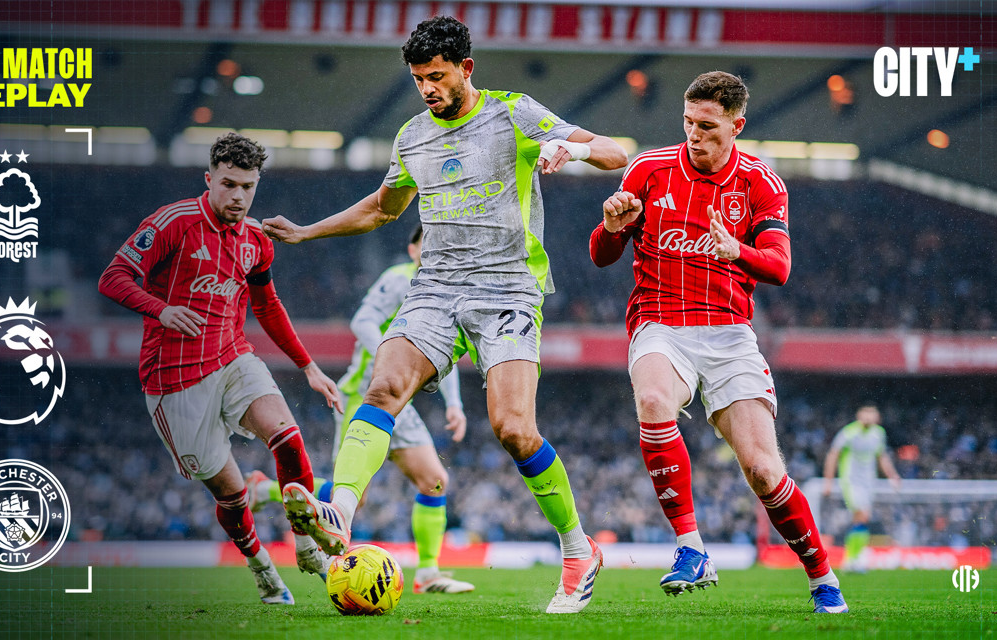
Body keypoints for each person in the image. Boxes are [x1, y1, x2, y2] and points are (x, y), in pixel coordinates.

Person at [262, 16, 627, 613]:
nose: (428, 88)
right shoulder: (412, 137)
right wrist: (305, 232)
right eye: (418, 79)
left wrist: (574, 146)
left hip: (509, 289)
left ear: (466, 68)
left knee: (513, 429)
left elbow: (617, 152)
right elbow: (384, 208)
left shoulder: (514, 113)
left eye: (436, 76)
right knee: (382, 387)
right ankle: (340, 512)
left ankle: (577, 546)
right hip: (435, 287)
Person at [590, 71, 848, 613]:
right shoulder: (649, 170)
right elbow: (600, 255)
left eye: (707, 125)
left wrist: (738, 251)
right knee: (655, 400)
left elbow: (779, 266)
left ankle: (822, 576)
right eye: (688, 122)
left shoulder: (761, 183)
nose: (694, 134)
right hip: (659, 319)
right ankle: (690, 547)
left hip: (729, 332)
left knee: (762, 469)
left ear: (737, 125)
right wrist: (612, 225)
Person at [97, 132, 342, 605]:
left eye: (248, 187)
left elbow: (268, 306)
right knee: (230, 496)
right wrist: (160, 309)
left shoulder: (255, 239)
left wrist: (308, 366)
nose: (239, 196)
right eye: (229, 184)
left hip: (232, 356)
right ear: (209, 179)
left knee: (288, 436)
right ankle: (261, 567)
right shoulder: (173, 223)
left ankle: (308, 545)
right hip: (174, 381)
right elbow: (113, 277)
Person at [246, 223, 476, 595]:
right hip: (367, 393)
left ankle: (429, 573)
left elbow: (442, 353)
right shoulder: (398, 279)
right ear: (413, 250)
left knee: (434, 480)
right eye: (426, 244)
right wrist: (392, 352)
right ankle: (268, 490)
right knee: (355, 496)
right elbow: (362, 321)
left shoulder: (444, 293)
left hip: (403, 400)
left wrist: (455, 404)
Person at [822, 405, 902, 573]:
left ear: (877, 417)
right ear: (859, 416)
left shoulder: (878, 433)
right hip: (851, 481)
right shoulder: (848, 433)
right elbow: (833, 454)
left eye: (871, 415)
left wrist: (893, 476)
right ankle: (853, 559)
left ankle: (854, 557)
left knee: (862, 519)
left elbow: (882, 456)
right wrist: (828, 482)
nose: (868, 418)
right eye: (865, 415)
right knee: (862, 515)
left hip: (868, 482)